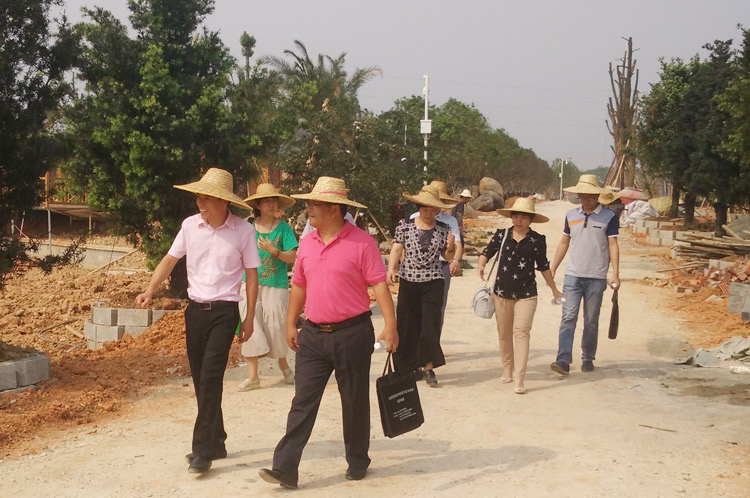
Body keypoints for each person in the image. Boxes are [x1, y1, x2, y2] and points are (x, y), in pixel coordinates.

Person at [258, 176, 398, 489]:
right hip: (313, 335)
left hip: (353, 333)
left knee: (354, 400)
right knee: (302, 401)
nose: (308, 208)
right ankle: (284, 469)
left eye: (314, 204)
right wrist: (291, 322)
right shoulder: (307, 243)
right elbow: (299, 285)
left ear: (334, 209)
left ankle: (358, 460)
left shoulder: (362, 243)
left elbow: (378, 284)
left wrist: (391, 324)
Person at [135, 168, 260, 474]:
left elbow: (252, 275)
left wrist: (249, 317)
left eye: (205, 196)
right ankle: (216, 439)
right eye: (198, 196)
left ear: (222, 201)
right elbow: (169, 259)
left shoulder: (244, 231)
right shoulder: (190, 226)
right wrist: (150, 289)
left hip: (225, 312)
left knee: (211, 378)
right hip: (195, 312)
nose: (199, 201)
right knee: (200, 379)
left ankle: (201, 451)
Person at [477, 198, 563, 394]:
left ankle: (519, 377)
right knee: (504, 333)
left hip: (527, 294)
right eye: (515, 215)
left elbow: (543, 267)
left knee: (522, 333)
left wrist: (554, 289)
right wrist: (482, 263)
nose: (519, 220)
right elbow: (487, 252)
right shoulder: (502, 235)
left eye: (524, 216)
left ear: (531, 219)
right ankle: (507, 367)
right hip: (502, 293)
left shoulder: (537, 240)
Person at [550, 174, 620, 376]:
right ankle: (563, 360)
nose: (586, 199)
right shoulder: (571, 215)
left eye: (590, 195)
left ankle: (588, 357)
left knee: (591, 320)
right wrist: (553, 268)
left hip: (596, 277)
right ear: (578, 195)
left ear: (597, 196)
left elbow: (613, 245)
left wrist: (615, 273)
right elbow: (564, 242)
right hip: (573, 275)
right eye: (582, 195)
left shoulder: (609, 217)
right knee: (568, 317)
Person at [389, 185, 456, 386]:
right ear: (418, 207)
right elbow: (396, 248)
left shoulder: (444, 229)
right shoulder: (405, 226)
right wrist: (391, 269)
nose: (428, 213)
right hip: (409, 281)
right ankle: (407, 368)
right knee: (407, 324)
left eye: (432, 210)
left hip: (433, 281)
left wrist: (451, 247)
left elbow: (447, 256)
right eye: (424, 209)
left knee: (430, 325)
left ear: (437, 210)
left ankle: (428, 367)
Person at [238, 183, 298, 391]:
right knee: (250, 322)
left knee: (276, 326)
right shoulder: (247, 226)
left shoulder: (284, 228)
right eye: (267, 201)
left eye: (274, 201)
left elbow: (292, 256)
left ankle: (283, 365)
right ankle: (253, 376)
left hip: (277, 284)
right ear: (258, 204)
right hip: (249, 283)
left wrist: (275, 251)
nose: (272, 204)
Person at [410, 180, 463, 339]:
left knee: (437, 308)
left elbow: (457, 243)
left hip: (440, 267)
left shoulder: (449, 221)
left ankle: (433, 343)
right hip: (416, 268)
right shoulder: (413, 218)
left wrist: (456, 260)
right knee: (415, 308)